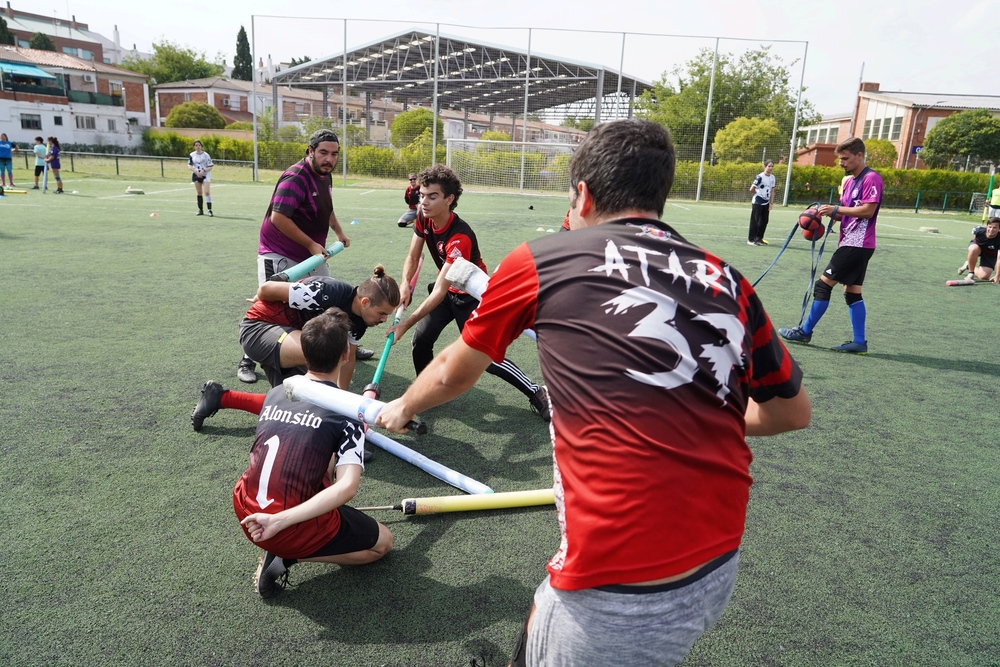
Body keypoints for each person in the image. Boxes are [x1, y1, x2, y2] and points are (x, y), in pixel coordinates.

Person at [376, 119, 810, 667]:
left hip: (620, 580)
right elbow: (792, 411)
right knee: (543, 613)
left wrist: (401, 406)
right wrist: (695, 410)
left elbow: (452, 374)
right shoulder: (729, 279)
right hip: (719, 558)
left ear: (582, 194)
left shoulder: (543, 259)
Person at [234, 307, 393, 599]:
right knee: (382, 543)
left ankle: (288, 539)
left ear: (304, 352)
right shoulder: (347, 413)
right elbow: (347, 488)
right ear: (346, 355)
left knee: (319, 452)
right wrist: (281, 520)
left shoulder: (278, 391)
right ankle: (286, 558)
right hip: (280, 527)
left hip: (247, 511)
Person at [386, 164, 550, 422]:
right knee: (422, 340)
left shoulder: (459, 237)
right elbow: (413, 255)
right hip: (447, 291)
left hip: (472, 297)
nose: (424, 202)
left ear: (449, 199)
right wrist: (405, 283)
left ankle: (536, 392)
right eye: (422, 195)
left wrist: (404, 323)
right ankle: (424, 392)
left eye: (432, 196)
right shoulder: (423, 216)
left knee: (488, 359)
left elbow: (440, 290)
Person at [237, 129, 372, 385]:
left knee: (329, 306)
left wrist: (339, 231)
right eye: (323, 153)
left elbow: (327, 208)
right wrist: (311, 244)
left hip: (312, 256)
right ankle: (247, 359)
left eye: (334, 154)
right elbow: (278, 218)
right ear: (310, 151)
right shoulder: (295, 177)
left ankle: (341, 346)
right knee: (270, 308)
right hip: (280, 253)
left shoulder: (325, 175)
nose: (328, 159)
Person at [192, 266, 400, 432]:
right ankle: (335, 429)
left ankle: (218, 397)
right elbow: (266, 289)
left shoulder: (362, 322)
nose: (384, 320)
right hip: (258, 328)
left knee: (295, 406)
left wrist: (342, 406)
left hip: (290, 338)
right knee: (328, 355)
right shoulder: (329, 292)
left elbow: (349, 361)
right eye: (382, 313)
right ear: (365, 302)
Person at [778, 137, 884, 355]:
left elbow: (867, 211)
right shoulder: (849, 181)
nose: (841, 163)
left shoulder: (871, 178)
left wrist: (835, 210)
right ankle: (859, 342)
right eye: (840, 159)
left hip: (857, 243)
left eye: (845, 159)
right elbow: (846, 210)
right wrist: (819, 218)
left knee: (823, 286)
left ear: (859, 156)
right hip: (852, 242)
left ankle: (804, 331)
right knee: (852, 292)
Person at [956, 218, 1000, 283]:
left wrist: (997, 276)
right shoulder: (979, 231)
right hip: (978, 247)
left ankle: (968, 265)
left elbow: (999, 258)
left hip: (990, 253)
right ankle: (971, 273)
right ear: (987, 226)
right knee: (973, 248)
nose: (991, 230)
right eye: (990, 227)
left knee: (984, 276)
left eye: (995, 228)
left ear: (999, 229)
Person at [747, 159, 776, 245]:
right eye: (769, 166)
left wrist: (771, 203)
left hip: (766, 202)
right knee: (755, 220)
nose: (770, 168)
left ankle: (759, 238)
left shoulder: (772, 178)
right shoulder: (760, 177)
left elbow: (772, 190)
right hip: (758, 202)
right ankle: (751, 239)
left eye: (772, 166)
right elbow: (751, 189)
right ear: (765, 166)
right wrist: (759, 193)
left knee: (764, 221)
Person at [189, 140, 214, 216]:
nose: (198, 146)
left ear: (201, 146)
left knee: (206, 192)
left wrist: (203, 171)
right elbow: (189, 165)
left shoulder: (206, 155)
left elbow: (210, 166)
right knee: (199, 193)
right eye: (196, 145)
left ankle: (209, 210)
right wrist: (196, 172)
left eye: (199, 145)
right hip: (196, 174)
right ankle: (200, 210)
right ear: (194, 146)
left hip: (205, 174)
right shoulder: (192, 155)